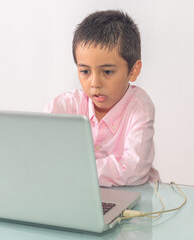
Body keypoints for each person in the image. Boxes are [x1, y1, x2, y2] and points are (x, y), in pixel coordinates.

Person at [44, 10, 160, 187]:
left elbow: (133, 170)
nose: (94, 83)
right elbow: (39, 150)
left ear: (133, 70)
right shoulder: (66, 104)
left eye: (107, 72)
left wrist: (72, 171)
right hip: (78, 193)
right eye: (85, 71)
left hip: (134, 199)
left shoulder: (139, 107)